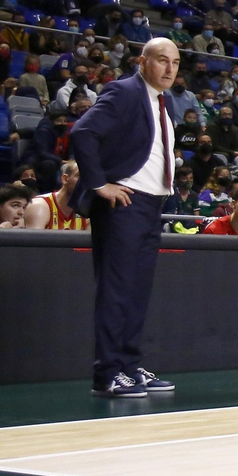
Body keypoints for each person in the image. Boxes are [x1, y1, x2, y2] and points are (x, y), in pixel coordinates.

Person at [68, 38, 181, 399]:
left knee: (137, 292)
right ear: (143, 61)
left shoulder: (164, 102)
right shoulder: (125, 91)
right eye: (162, 60)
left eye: (175, 63)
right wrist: (99, 184)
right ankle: (107, 373)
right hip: (125, 204)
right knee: (116, 291)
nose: (169, 68)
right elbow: (82, 132)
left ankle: (130, 367)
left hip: (152, 206)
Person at [24, 159, 87, 231]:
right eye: (80, 175)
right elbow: (35, 241)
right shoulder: (39, 206)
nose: (86, 181)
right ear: (65, 179)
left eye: (89, 177)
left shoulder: (88, 213)